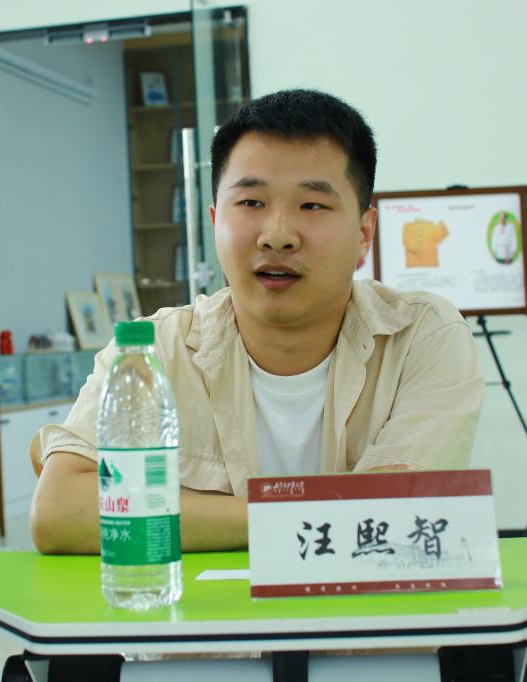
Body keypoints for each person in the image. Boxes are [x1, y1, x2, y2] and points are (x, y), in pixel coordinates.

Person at [29, 89, 484, 555]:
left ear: (364, 232)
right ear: (215, 221)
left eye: (312, 205)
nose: (278, 236)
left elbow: (403, 507)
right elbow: (60, 511)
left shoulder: (423, 337)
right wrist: (289, 516)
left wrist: (190, 515)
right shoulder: (154, 351)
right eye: (250, 203)